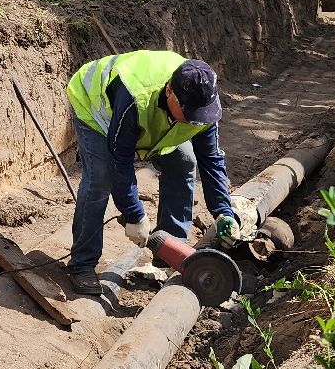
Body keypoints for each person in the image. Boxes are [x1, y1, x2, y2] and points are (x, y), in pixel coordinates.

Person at [62, 50, 238, 294]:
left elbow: (211, 158)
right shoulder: (136, 97)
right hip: (95, 110)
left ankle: (170, 252)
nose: (195, 122)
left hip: (153, 123)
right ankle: (82, 264)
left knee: (184, 161)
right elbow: (119, 160)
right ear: (169, 93)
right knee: (100, 178)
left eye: (200, 116)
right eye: (189, 114)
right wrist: (134, 215)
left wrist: (223, 211)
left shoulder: (202, 105)